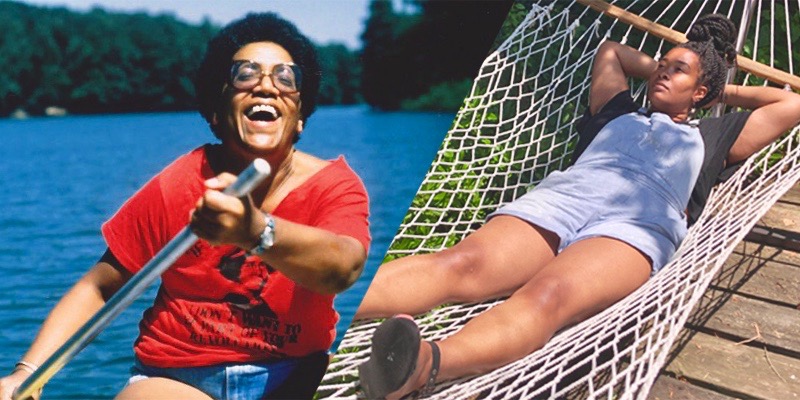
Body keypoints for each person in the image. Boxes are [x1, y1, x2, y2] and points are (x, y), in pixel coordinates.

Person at [354, 14, 800, 399]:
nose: (661, 73)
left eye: (677, 71)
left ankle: (420, 366)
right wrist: (673, 71)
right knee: (461, 263)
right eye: (660, 65)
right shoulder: (617, 109)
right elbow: (611, 51)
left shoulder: (712, 139)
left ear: (702, 92)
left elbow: (791, 102)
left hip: (636, 226)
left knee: (549, 297)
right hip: (566, 199)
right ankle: (325, 302)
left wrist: (717, 89)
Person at [0, 13, 370, 400]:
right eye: (245, 74)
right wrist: (27, 373)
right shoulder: (179, 184)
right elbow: (99, 287)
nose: (265, 85)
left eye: (285, 78)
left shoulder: (334, 186)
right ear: (215, 113)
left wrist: (257, 231)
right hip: (180, 377)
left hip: (294, 374)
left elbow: (343, 268)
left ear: (299, 120)